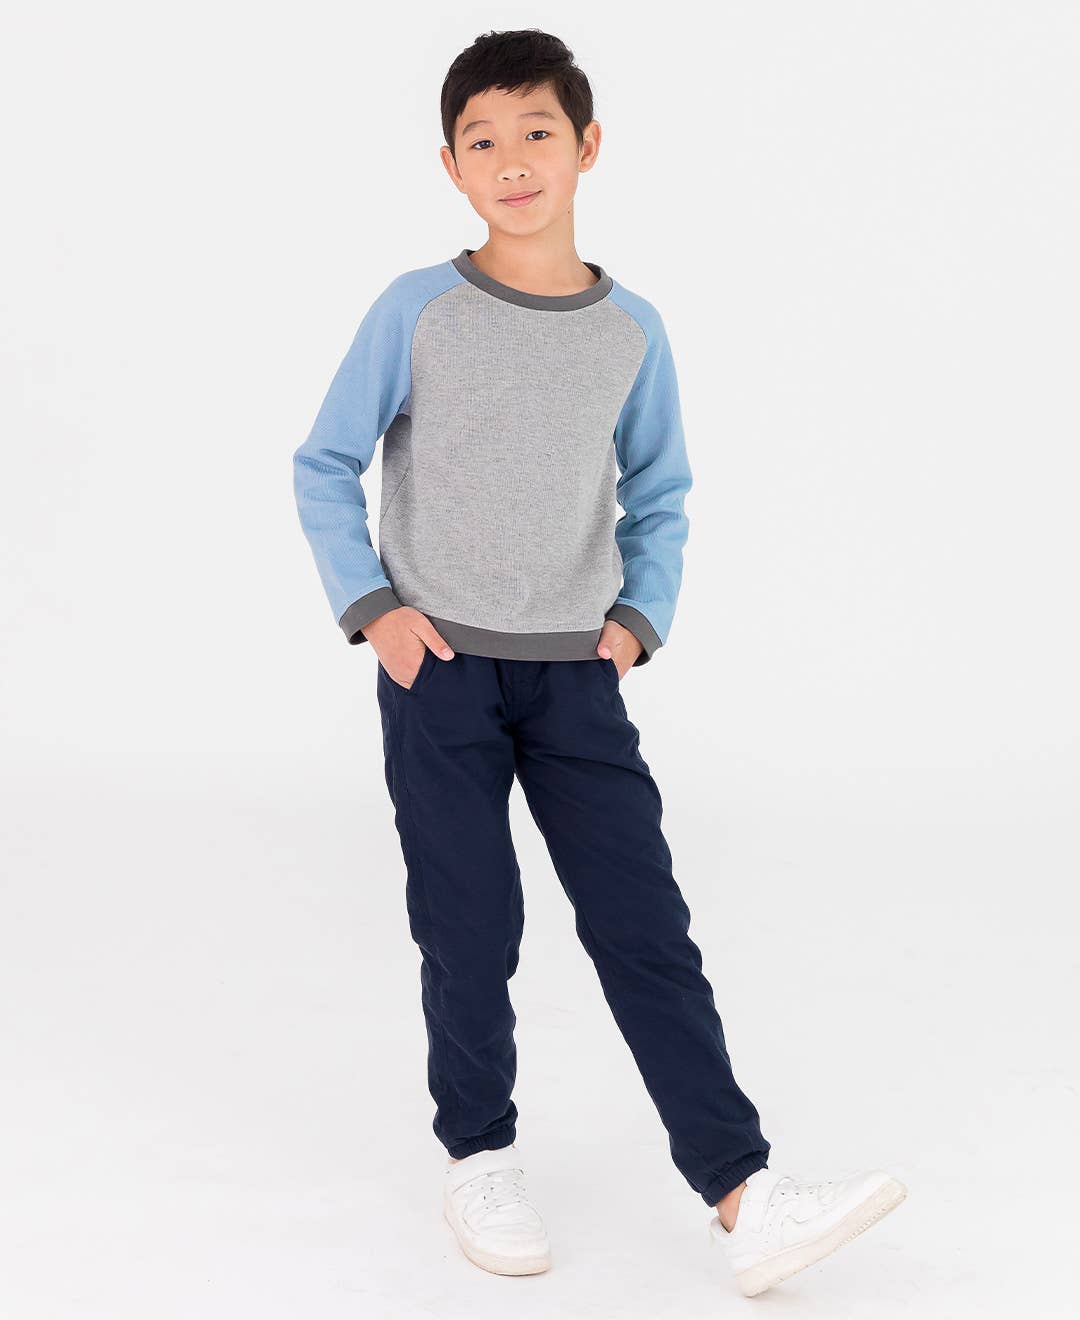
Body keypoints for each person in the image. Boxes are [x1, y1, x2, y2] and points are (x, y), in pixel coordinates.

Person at [291, 27, 906, 1297]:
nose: (512, 160)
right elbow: (324, 463)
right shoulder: (416, 310)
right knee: (471, 923)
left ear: (587, 148)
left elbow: (662, 489)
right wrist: (376, 611)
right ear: (452, 166)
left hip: (577, 675)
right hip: (440, 671)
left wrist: (637, 617)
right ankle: (479, 1154)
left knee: (643, 925)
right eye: (483, 141)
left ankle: (743, 1194)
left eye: (537, 134)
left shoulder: (631, 330)